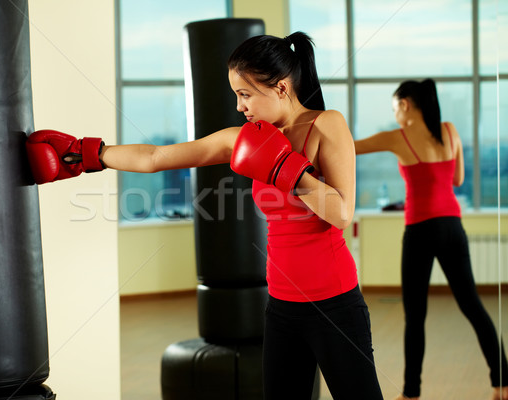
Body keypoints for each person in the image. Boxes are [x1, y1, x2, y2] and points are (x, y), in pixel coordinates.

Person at [27, 32, 383, 400]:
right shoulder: (242, 138)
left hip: (334, 305)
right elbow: (156, 158)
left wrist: (286, 169)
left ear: (280, 88)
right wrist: (89, 154)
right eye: (236, 96)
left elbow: (341, 212)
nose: (239, 106)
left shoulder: (327, 125)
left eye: (245, 94)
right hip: (281, 308)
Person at [354, 78, 508, 400]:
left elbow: (351, 146)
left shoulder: (398, 137)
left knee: (416, 315)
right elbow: (458, 178)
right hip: (452, 226)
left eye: (395, 107)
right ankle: (503, 383)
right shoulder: (449, 130)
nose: (395, 114)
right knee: (473, 306)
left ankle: (411, 393)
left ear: (406, 105)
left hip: (420, 230)